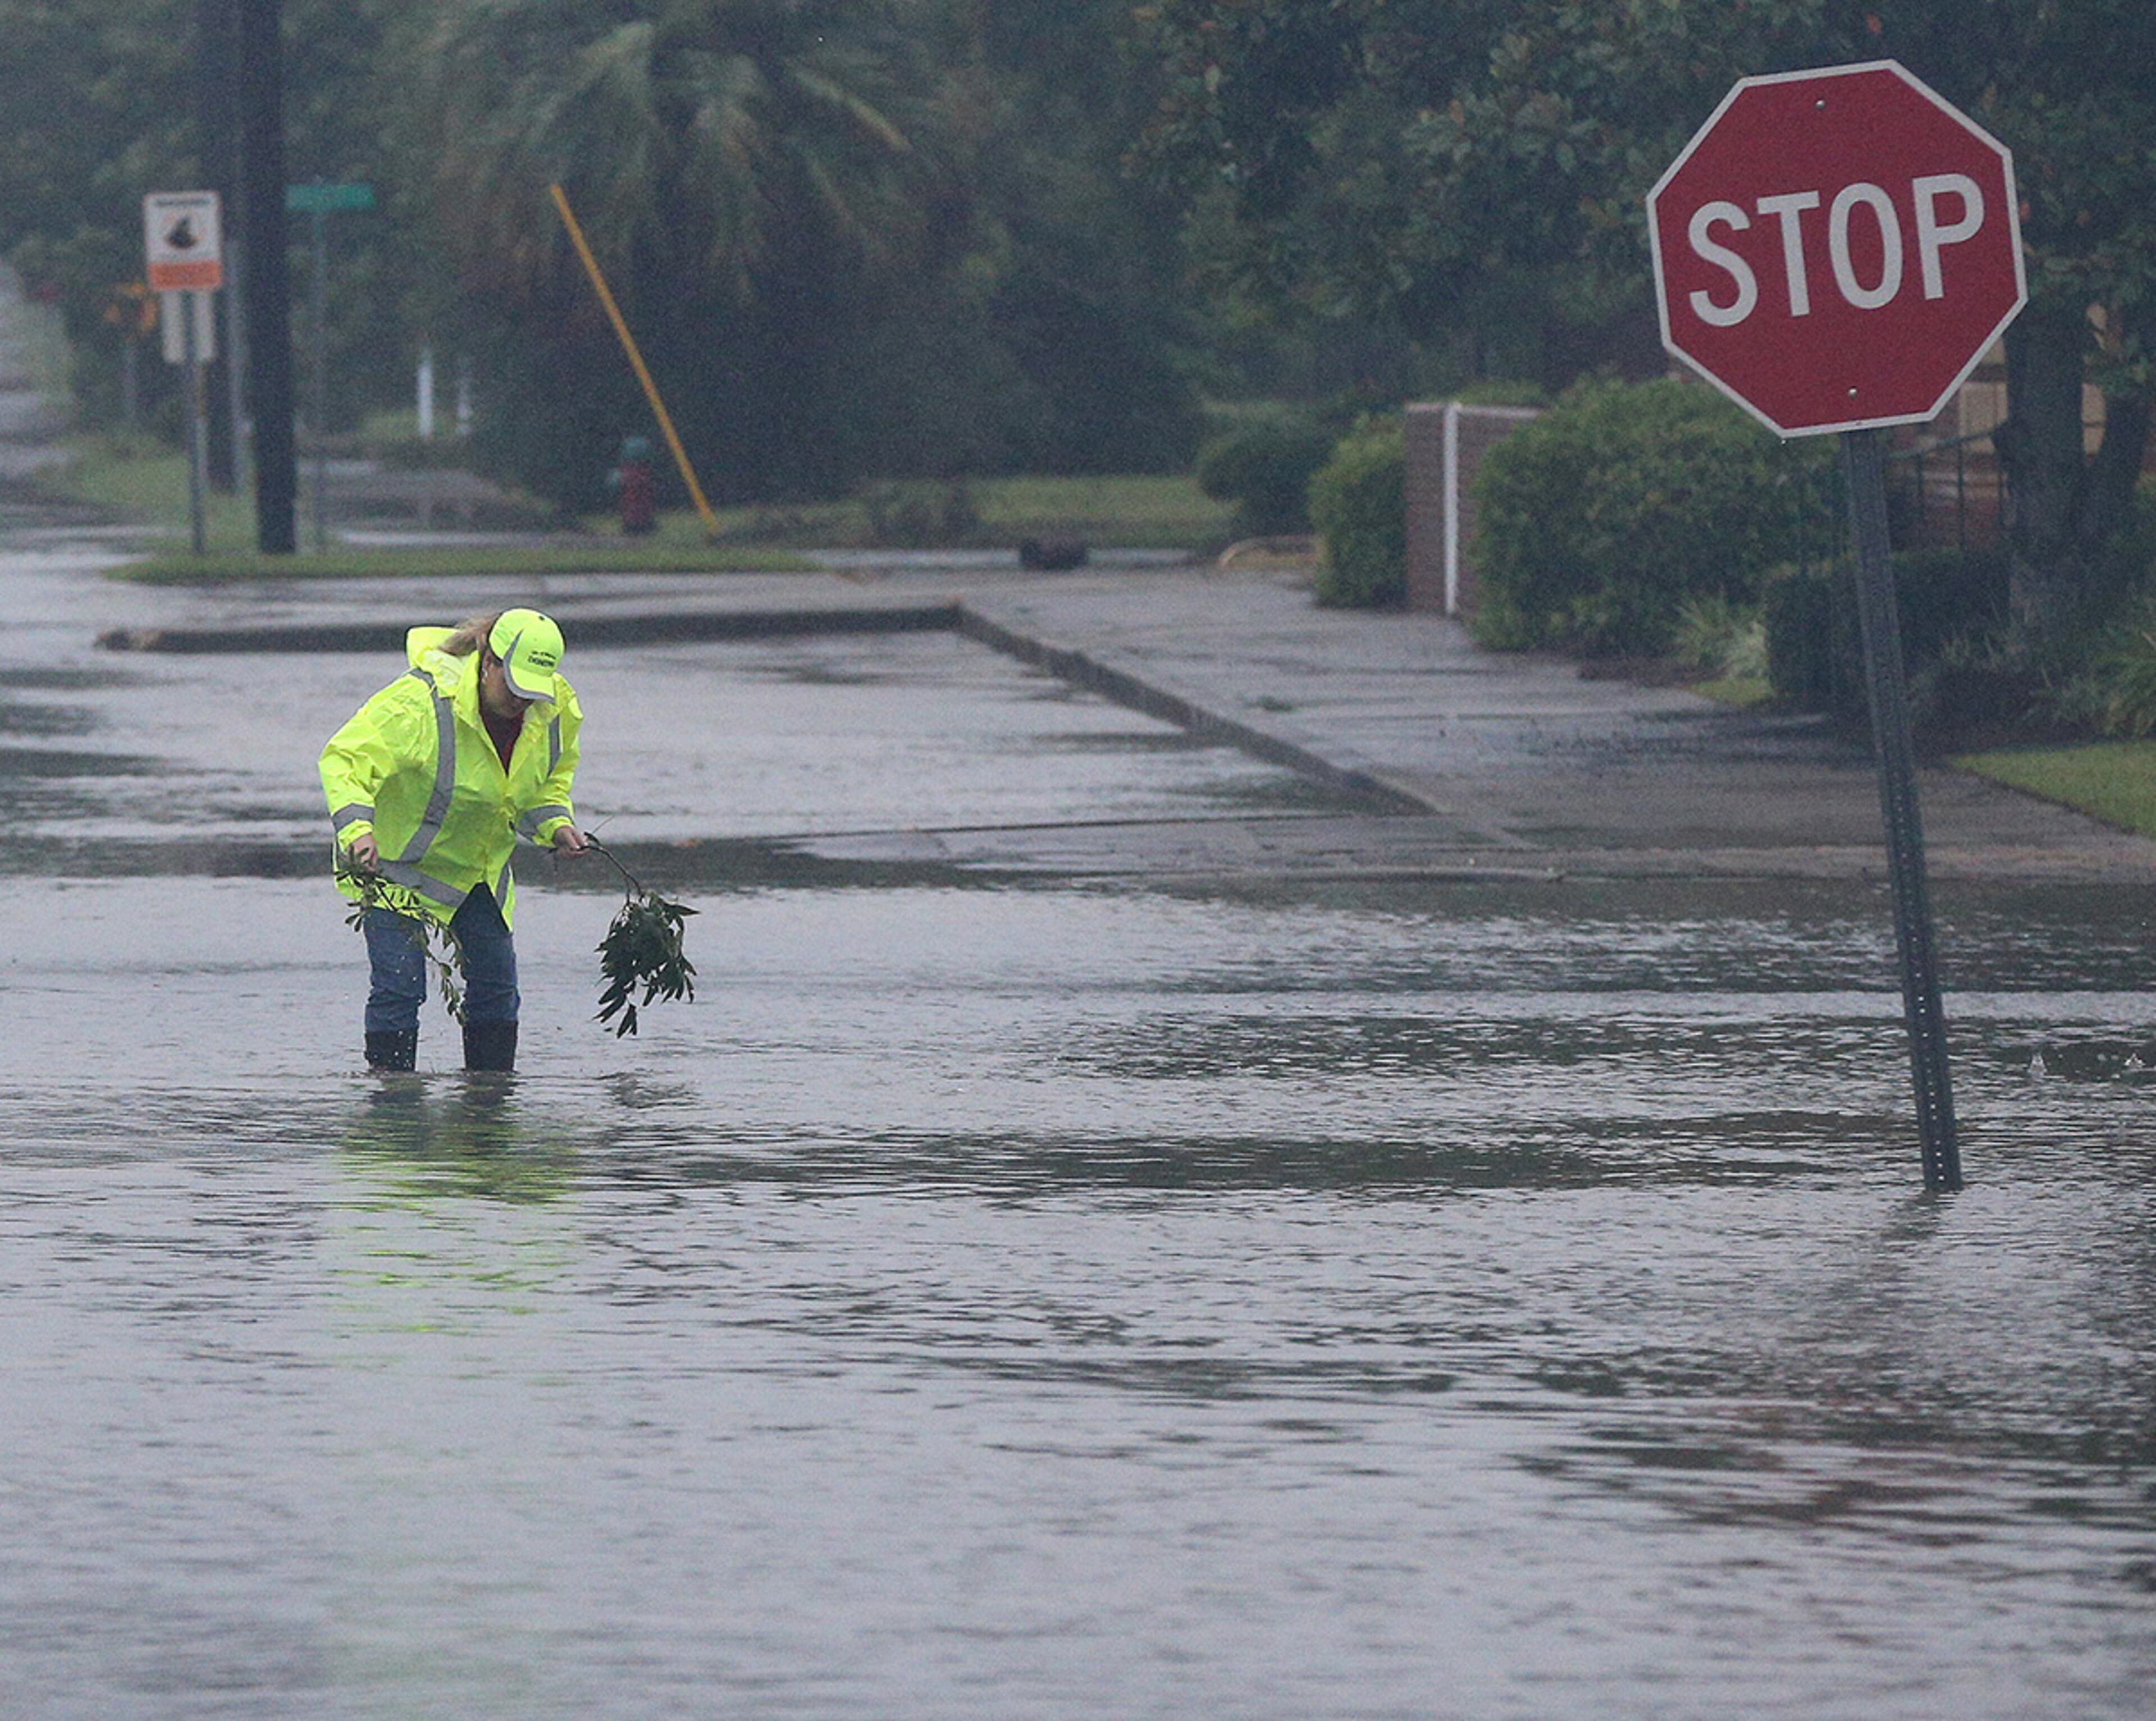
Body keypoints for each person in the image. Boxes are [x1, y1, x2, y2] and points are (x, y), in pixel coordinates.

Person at [320, 608, 588, 1072]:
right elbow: (345, 761)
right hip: (394, 870)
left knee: (496, 986)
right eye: (515, 687)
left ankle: (489, 1104)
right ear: (489, 662)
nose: (522, 701)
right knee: (401, 988)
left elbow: (544, 785)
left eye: (533, 690)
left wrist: (556, 826)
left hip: (475, 872)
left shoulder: (554, 708)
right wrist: (358, 832)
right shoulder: (419, 703)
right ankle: (393, 1105)